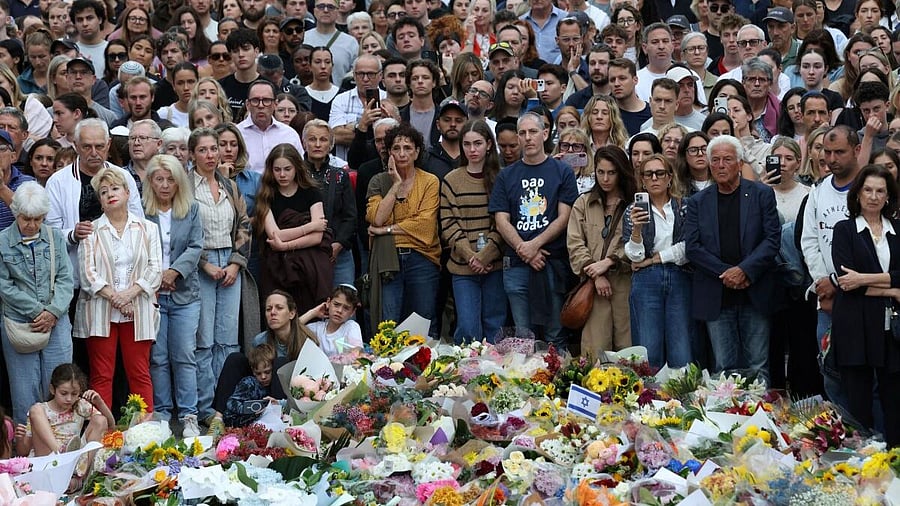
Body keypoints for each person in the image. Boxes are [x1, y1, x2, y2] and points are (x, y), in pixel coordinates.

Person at [684, 134, 780, 383]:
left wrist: (744, 270)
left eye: (727, 159)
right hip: (718, 293)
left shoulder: (761, 194)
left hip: (754, 290)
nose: (720, 165)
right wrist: (728, 272)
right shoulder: (697, 202)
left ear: (739, 164)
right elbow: (693, 247)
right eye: (714, 160)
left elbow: (771, 240)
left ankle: (760, 418)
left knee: (758, 364)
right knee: (722, 367)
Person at [75, 166, 161, 412]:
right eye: (103, 192)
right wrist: (117, 299)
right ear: (100, 201)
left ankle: (144, 433)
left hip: (139, 309)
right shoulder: (91, 231)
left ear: (127, 193)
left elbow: (155, 270)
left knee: (139, 372)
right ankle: (101, 435)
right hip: (100, 312)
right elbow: (87, 274)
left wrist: (129, 295)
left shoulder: (148, 228)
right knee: (101, 375)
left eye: (115, 188)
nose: (110, 194)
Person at [489, 112, 578, 349]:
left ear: (545, 134)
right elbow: (501, 220)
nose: (528, 138)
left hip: (551, 262)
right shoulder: (506, 175)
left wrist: (534, 245)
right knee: (523, 337)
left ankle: (555, 384)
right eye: (523, 133)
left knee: (555, 335)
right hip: (516, 265)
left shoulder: (562, 171)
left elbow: (564, 217)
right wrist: (524, 249)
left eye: (533, 132)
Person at [831, 164, 900, 446]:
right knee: (858, 406)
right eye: (868, 190)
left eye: (880, 191)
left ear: (888, 197)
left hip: (891, 329)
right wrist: (894, 289)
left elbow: (858, 281)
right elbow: (847, 282)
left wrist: (864, 279)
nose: (873, 196)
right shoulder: (844, 229)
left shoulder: (897, 230)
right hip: (855, 326)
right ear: (858, 194)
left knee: (895, 404)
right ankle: (863, 466)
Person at [189, 127, 251, 423]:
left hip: (229, 261)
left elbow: (244, 224)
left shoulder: (229, 184)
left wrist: (236, 263)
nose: (211, 155)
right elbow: (182, 231)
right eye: (203, 150)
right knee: (204, 340)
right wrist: (204, 263)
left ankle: (226, 405)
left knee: (228, 340)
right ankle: (205, 408)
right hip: (200, 267)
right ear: (192, 154)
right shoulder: (186, 186)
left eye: (214, 149)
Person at [0, 182, 74, 425]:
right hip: (19, 323)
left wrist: (52, 311)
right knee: (24, 391)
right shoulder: (2, 241)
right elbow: (4, 285)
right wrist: (36, 310)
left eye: (38, 219)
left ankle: (61, 444)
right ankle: (26, 453)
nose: (31, 225)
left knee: (61, 385)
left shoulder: (55, 237)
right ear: (15, 212)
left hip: (57, 319)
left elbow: (66, 278)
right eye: (25, 218)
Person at [143, 154, 203, 438]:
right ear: (151, 182)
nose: (165, 185)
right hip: (152, 294)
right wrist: (157, 277)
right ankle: (163, 414)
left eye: (170, 180)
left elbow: (195, 246)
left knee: (184, 355)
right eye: (159, 179)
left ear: (179, 182)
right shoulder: (142, 210)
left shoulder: (190, 208)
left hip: (184, 294)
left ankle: (189, 414)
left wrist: (174, 272)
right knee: (158, 357)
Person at [366, 122, 441, 333]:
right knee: (388, 323)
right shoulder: (378, 181)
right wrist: (396, 184)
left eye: (408, 148)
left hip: (422, 257)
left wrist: (387, 231)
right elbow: (377, 219)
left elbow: (425, 225)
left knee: (423, 320)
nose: (402, 154)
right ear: (388, 152)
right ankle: (389, 366)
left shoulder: (430, 181)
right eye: (396, 148)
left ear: (417, 152)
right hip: (388, 258)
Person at [622, 154, 692, 368]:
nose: (654, 178)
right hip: (646, 280)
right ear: (642, 180)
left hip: (679, 275)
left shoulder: (684, 207)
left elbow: (688, 247)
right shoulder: (632, 211)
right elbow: (635, 256)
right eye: (648, 174)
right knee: (648, 347)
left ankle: (681, 397)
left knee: (681, 349)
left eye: (660, 173)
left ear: (670, 177)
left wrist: (654, 260)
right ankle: (649, 398)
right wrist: (636, 230)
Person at [440, 119, 505, 343]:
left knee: (494, 325)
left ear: (488, 144)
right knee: (468, 327)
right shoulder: (451, 180)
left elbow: (503, 222)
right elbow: (449, 223)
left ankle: (493, 373)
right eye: (467, 144)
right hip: (462, 267)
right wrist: (472, 257)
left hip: (494, 265)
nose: (472, 150)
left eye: (477, 143)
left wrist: (486, 255)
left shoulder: (501, 178)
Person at [567, 145, 634, 357]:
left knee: (628, 348)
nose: (605, 178)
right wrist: (594, 274)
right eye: (600, 172)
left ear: (621, 172)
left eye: (611, 172)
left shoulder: (633, 203)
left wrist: (611, 261)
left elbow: (638, 242)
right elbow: (575, 243)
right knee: (595, 351)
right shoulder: (583, 202)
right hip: (593, 285)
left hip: (626, 281)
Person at [255, 142, 333, 313]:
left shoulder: (311, 192)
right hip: (277, 269)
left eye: (287, 169)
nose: (282, 175)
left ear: (297, 168)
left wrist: (285, 246)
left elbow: (317, 238)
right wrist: (310, 226)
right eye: (277, 170)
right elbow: (275, 234)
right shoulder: (266, 196)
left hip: (309, 268)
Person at [19, 363, 113, 457]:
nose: (69, 399)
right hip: (47, 458)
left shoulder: (80, 405)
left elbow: (110, 426)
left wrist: (100, 403)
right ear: (52, 389)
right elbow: (23, 451)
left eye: (74, 394)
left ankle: (83, 468)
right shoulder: (41, 410)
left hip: (73, 457)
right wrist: (19, 439)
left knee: (100, 420)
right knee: (35, 409)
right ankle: (59, 454)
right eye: (64, 393)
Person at [223, 343, 282, 427]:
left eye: (267, 372)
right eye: (258, 373)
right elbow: (231, 402)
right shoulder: (249, 383)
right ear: (253, 371)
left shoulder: (275, 384)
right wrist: (249, 410)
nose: (263, 377)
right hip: (238, 420)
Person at [299, 284, 363, 356]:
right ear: (328, 302)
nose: (339, 311)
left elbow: (355, 354)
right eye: (336, 304)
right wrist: (312, 312)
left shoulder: (350, 327)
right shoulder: (316, 329)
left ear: (352, 312)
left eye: (346, 308)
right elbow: (291, 331)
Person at [675, 131, 712, 196]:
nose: (700, 154)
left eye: (704, 149)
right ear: (684, 155)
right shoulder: (676, 187)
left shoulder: (721, 183)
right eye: (693, 150)